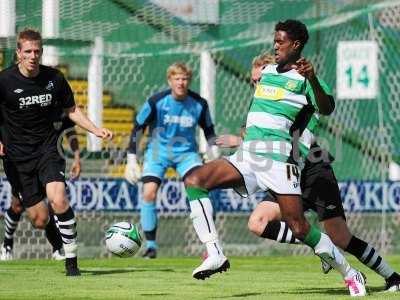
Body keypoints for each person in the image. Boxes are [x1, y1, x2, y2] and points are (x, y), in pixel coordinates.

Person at [184, 19, 366, 296]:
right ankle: (215, 252)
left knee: (300, 227)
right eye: (275, 40)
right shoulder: (267, 71)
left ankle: (350, 273)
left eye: (280, 41)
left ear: (296, 45)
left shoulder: (305, 78)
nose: (275, 45)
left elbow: (326, 107)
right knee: (195, 179)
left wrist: (313, 78)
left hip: (278, 160)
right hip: (248, 156)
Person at [219, 52, 400, 293]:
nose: (256, 85)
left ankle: (393, 277)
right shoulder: (264, 104)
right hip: (285, 171)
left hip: (314, 169)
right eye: (253, 81)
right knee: (257, 222)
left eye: (259, 79)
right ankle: (322, 249)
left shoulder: (298, 91)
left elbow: (301, 130)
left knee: (340, 236)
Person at [0, 28, 113, 276]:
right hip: (17, 159)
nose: (32, 56)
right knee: (39, 219)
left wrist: (95, 129)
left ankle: (71, 261)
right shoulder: (4, 81)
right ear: (18, 53)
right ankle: (15, 242)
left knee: (59, 199)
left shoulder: (55, 79)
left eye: (37, 51)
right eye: (27, 51)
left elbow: (72, 110)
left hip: (48, 150)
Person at [124, 62, 218, 259]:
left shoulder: (199, 103)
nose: (181, 83)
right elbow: (138, 128)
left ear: (189, 81)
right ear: (170, 80)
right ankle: (151, 247)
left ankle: (210, 247)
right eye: (177, 79)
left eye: (184, 79)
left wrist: (213, 150)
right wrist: (131, 159)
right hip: (158, 152)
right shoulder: (156, 101)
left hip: (187, 154)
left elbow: (209, 130)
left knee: (200, 194)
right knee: (148, 193)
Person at [0, 112, 81, 261]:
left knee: (56, 202)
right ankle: (7, 244)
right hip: (22, 161)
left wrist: (77, 157)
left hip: (49, 160)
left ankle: (58, 248)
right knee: (18, 205)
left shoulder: (57, 101)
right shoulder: (17, 98)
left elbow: (70, 130)